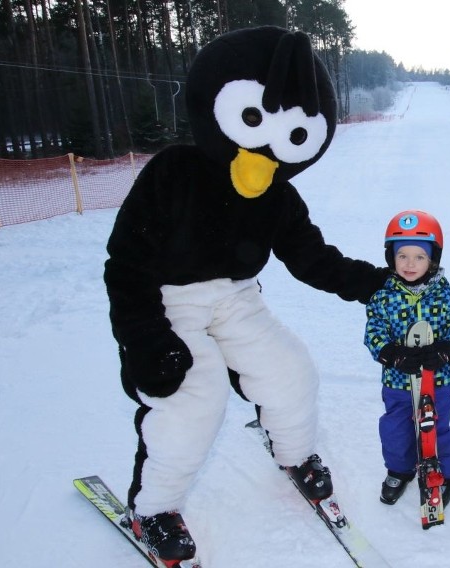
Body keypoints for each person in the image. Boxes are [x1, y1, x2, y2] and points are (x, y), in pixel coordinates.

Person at [103, 27, 389, 564]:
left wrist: (376, 284)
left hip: (236, 297)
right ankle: (155, 507)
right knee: (196, 397)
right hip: (168, 301)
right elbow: (126, 265)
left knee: (291, 369)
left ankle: (295, 454)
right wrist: (145, 338)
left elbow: (311, 258)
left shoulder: (276, 194)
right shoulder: (173, 172)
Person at [365, 210, 450, 507]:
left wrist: (448, 349)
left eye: (419, 257)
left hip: (438, 379)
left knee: (437, 428)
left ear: (432, 260)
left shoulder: (448, 296)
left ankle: (447, 473)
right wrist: (391, 354)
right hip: (398, 381)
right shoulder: (382, 298)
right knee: (396, 428)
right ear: (391, 258)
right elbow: (373, 331)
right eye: (402, 256)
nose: (410, 264)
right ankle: (399, 470)